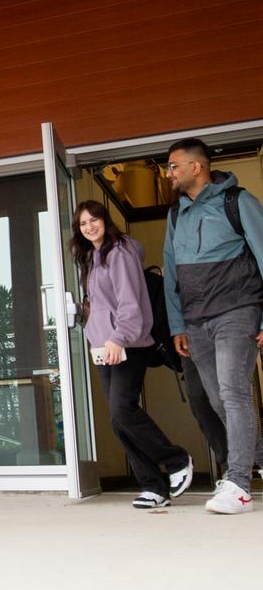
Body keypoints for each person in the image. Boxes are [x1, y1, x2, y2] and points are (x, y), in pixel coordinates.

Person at [70, 201, 193, 509]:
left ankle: (176, 460)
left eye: (93, 219)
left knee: (123, 410)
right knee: (118, 419)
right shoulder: (92, 258)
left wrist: (118, 337)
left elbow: (130, 303)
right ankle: (154, 486)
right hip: (104, 347)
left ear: (104, 220)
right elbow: (100, 306)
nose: (89, 226)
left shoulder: (119, 253)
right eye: (83, 223)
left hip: (127, 344)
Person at [164, 138, 263, 514]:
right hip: (196, 321)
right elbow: (172, 274)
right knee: (219, 401)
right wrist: (178, 326)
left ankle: (238, 483)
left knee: (234, 393)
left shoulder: (236, 202)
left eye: (174, 166)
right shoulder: (176, 216)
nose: (169, 173)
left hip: (236, 311)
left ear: (196, 167)